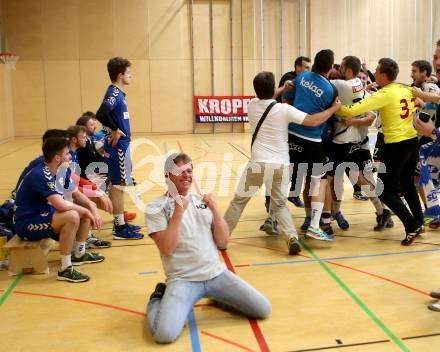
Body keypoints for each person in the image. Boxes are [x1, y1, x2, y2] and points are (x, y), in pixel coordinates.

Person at [144, 153, 272, 344]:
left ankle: (222, 298)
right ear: (168, 176)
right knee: (165, 335)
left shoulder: (201, 201)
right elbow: (167, 248)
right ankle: (157, 299)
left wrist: (216, 211)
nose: (186, 175)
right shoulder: (156, 207)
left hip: (216, 274)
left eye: (189, 170)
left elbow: (223, 243)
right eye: (180, 171)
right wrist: (179, 211)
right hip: (183, 280)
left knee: (263, 309)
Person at [225, 71, 341, 253]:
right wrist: (333, 109)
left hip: (257, 163)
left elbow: (268, 95)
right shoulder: (284, 110)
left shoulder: (251, 105)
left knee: (239, 202)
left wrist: (280, 89)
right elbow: (312, 121)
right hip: (280, 164)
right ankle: (291, 238)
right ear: (273, 88)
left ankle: (222, 237)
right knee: (280, 205)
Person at [338, 58, 423, 245]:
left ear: (384, 75)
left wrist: (337, 107)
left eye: (376, 71)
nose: (373, 73)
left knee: (384, 192)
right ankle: (419, 221)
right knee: (408, 185)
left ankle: (411, 226)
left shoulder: (384, 94)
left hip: (396, 145)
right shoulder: (404, 88)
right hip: (411, 143)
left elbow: (354, 109)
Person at [14, 138, 104, 282]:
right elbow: (61, 205)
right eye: (67, 154)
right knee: (73, 215)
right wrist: (86, 211)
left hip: (43, 215)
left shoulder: (61, 171)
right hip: (27, 223)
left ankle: (79, 254)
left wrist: (92, 207)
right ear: (57, 158)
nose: (70, 157)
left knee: (83, 209)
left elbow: (77, 194)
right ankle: (65, 269)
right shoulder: (41, 174)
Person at [283, 49, 338, 241]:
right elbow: (330, 114)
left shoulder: (302, 76)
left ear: (314, 63)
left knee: (286, 177)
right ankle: (315, 225)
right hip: (313, 139)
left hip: (291, 135)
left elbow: (288, 98)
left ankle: (274, 219)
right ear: (330, 68)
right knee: (319, 182)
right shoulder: (331, 89)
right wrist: (334, 108)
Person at [96, 57, 143, 240]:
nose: (131, 76)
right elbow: (101, 113)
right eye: (128, 73)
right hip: (119, 147)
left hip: (123, 146)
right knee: (118, 186)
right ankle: (119, 228)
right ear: (120, 75)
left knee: (120, 185)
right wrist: (114, 129)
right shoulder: (114, 93)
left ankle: (121, 223)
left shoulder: (119, 94)